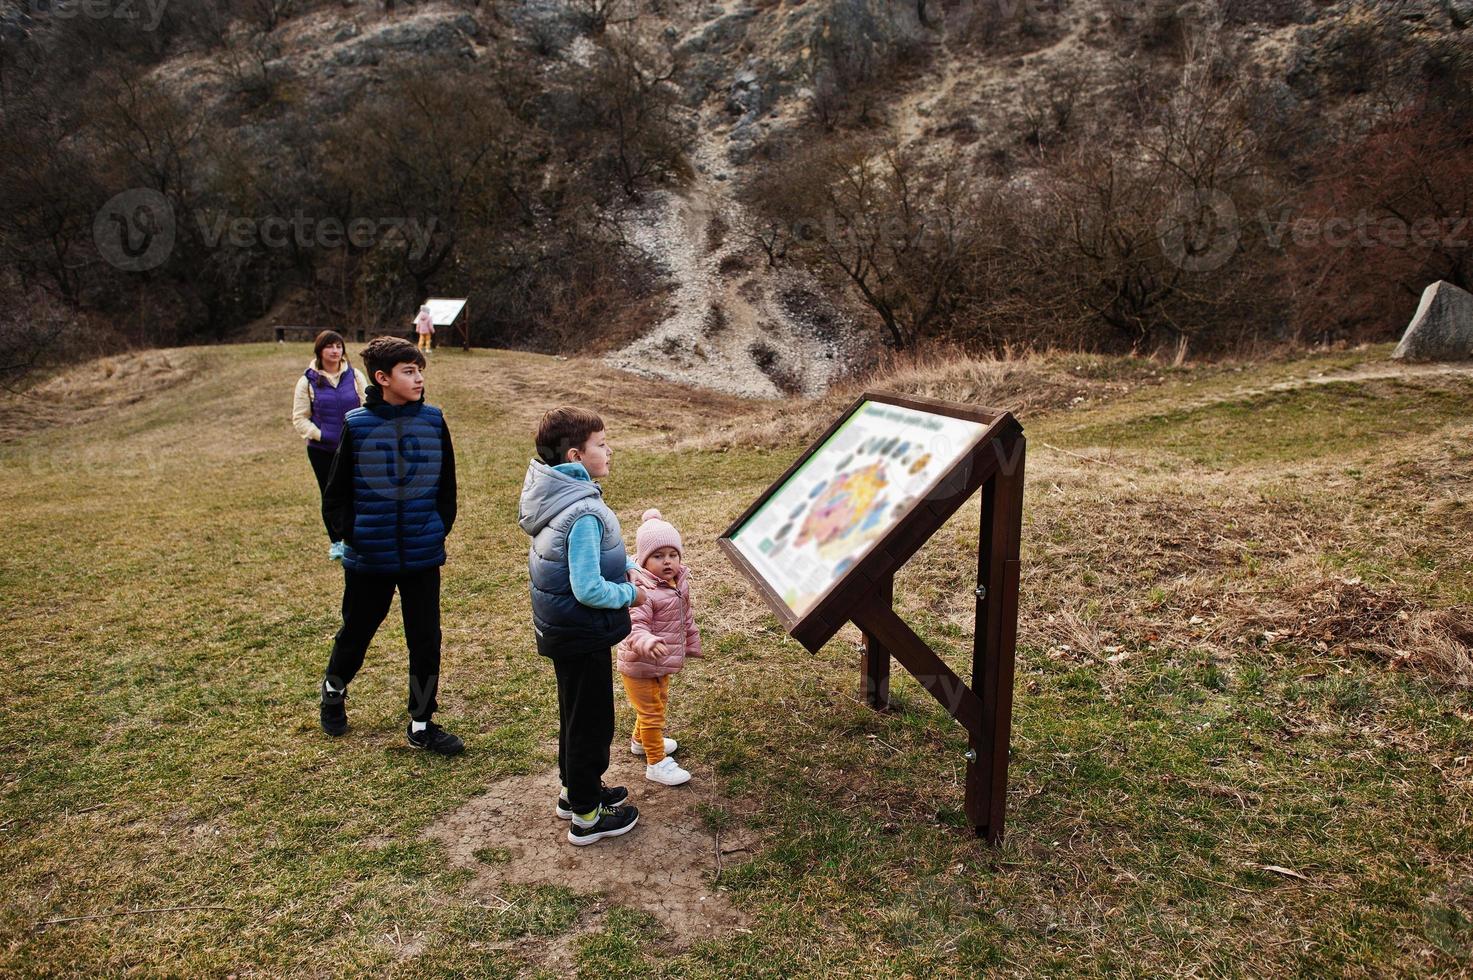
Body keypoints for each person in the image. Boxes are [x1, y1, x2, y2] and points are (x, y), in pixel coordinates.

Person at [318, 336, 462, 756]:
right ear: (382, 378)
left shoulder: (434, 421)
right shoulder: (357, 424)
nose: (418, 379)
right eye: (408, 371)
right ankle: (334, 687)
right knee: (358, 631)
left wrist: (437, 528)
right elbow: (336, 492)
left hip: (421, 555)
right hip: (370, 558)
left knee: (425, 639)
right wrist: (353, 535)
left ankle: (421, 721)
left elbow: (446, 488)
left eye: (419, 371)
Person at [518, 406, 647, 845]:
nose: (609, 451)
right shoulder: (583, 512)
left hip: (563, 630)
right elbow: (589, 588)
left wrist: (627, 564)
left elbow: (591, 558)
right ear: (576, 455)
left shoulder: (559, 496)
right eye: (602, 444)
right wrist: (633, 594)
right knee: (591, 722)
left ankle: (574, 792)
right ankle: (589, 816)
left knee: (574, 715)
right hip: (582, 630)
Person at [619, 509, 701, 786]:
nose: (667, 562)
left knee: (658, 702)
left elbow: (684, 617)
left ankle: (640, 741)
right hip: (639, 663)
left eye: (672, 555)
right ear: (644, 559)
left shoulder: (677, 584)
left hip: (661, 660)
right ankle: (656, 762)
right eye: (658, 556)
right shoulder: (641, 589)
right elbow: (632, 626)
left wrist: (691, 640)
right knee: (652, 711)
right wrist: (647, 642)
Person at [291, 330, 365, 560]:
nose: (335, 351)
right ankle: (336, 542)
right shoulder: (307, 381)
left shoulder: (354, 375)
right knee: (330, 494)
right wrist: (322, 435)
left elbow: (367, 402)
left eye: (339, 346)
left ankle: (356, 537)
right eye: (329, 346)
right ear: (320, 350)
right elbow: (299, 417)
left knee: (357, 491)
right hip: (322, 450)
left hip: (354, 447)